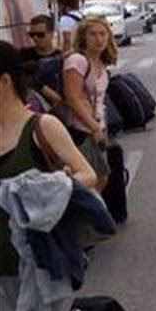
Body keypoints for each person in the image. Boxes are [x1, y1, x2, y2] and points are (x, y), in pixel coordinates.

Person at [0, 41, 103, 311]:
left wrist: (42, 189)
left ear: (4, 81)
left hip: (47, 266)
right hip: (6, 269)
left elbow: (88, 176)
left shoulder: (41, 127)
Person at [61, 17, 116, 189]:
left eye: (102, 34)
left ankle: (93, 213)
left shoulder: (101, 63)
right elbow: (73, 98)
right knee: (93, 180)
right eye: (93, 34)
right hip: (80, 130)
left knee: (100, 178)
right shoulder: (77, 60)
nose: (99, 39)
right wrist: (94, 128)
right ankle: (90, 215)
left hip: (97, 128)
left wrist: (101, 128)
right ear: (83, 37)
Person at [19, 15, 65, 109]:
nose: (35, 38)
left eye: (40, 35)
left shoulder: (62, 58)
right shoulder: (23, 55)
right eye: (32, 35)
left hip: (57, 110)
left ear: (52, 34)